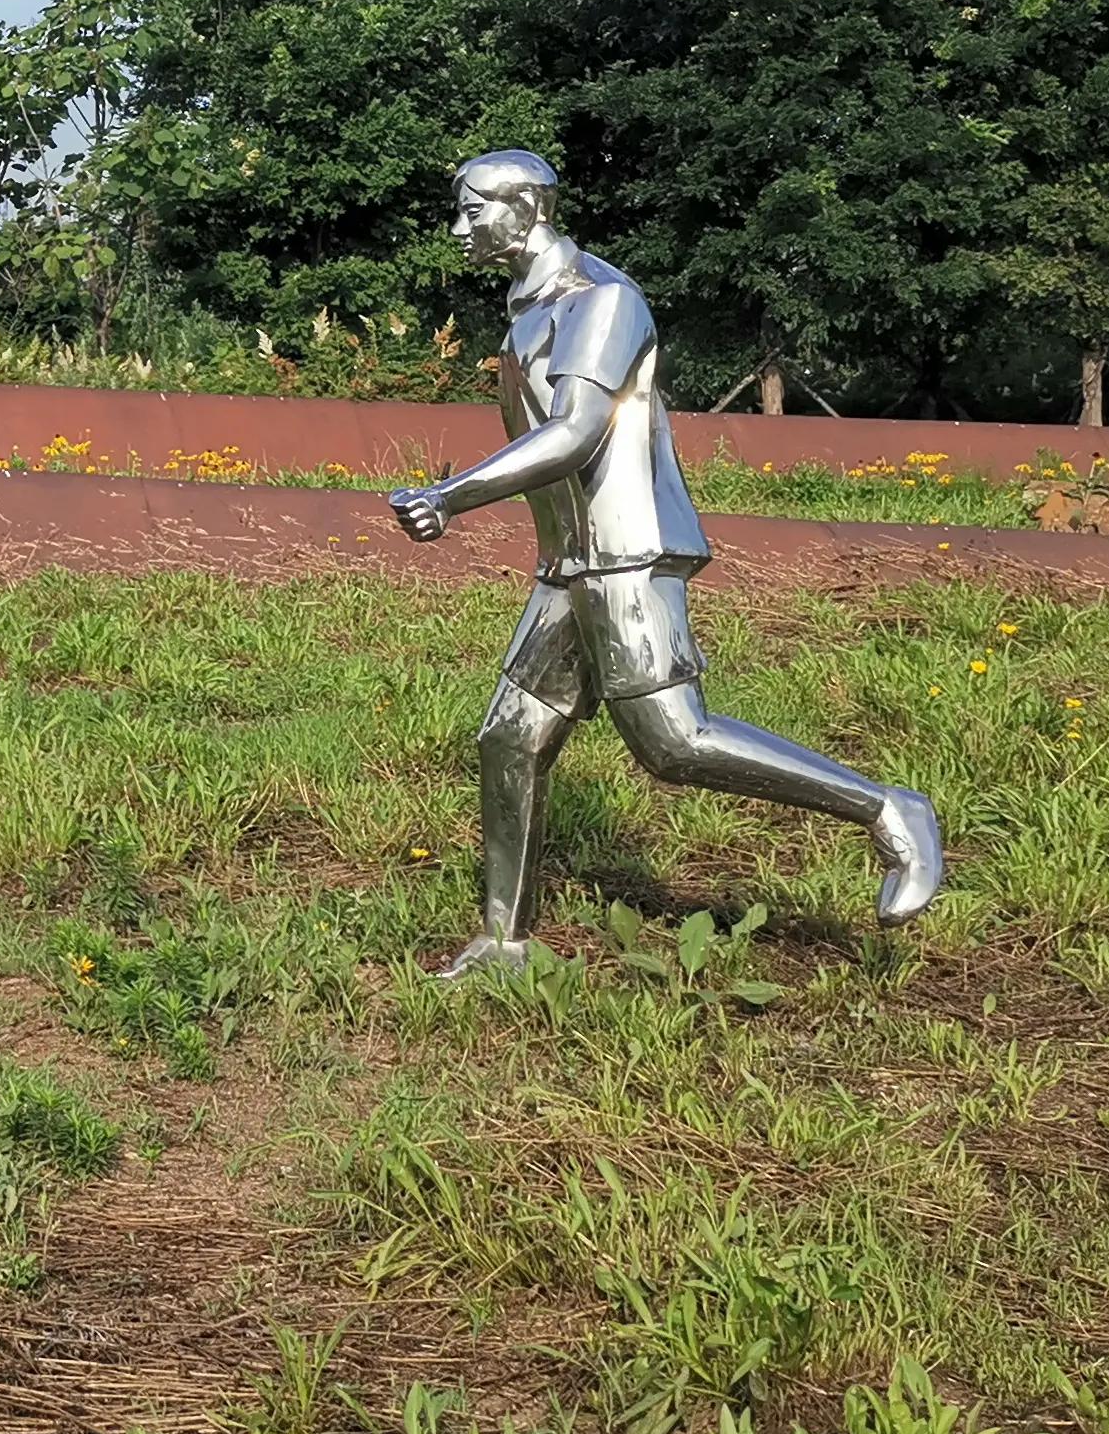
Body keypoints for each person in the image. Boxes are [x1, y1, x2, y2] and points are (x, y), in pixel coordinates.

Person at [388, 148, 944, 978]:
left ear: (529, 208)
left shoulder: (601, 303)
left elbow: (577, 431)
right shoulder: (529, 312)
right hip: (570, 563)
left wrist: (454, 495)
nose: (458, 228)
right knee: (509, 738)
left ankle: (887, 808)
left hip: (626, 556)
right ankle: (505, 944)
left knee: (674, 744)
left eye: (473, 210)